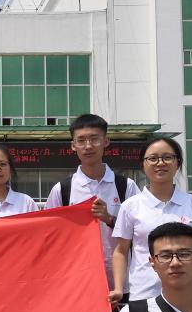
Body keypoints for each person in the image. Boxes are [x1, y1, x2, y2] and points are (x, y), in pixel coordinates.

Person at [109, 137, 192, 310]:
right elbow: (121, 251)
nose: (160, 163)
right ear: (143, 164)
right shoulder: (130, 206)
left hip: (189, 297)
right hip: (144, 295)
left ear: (178, 163)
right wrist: (118, 288)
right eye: (153, 158)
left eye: (167, 157)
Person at [44, 114, 140, 293]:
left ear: (106, 141)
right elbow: (50, 235)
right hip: (78, 284)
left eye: (94, 139)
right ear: (73, 145)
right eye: (81, 140)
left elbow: (141, 231)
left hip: (123, 285)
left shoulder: (126, 186)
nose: (88, 146)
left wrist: (109, 219)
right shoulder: (62, 189)